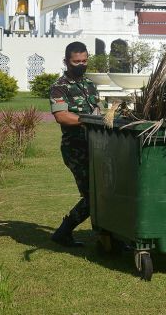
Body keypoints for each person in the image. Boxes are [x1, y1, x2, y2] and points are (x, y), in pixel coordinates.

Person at [49, 41, 101, 247]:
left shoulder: (89, 85)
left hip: (96, 146)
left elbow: (97, 110)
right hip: (75, 149)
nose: (81, 65)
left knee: (103, 192)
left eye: (84, 61)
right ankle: (63, 232)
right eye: (76, 62)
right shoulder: (59, 87)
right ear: (66, 62)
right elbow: (62, 116)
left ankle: (109, 237)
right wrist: (87, 120)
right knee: (91, 196)